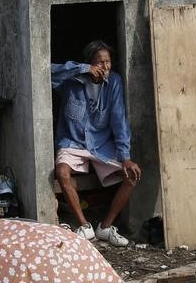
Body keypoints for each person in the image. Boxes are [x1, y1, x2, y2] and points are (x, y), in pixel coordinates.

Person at [51, 40, 141, 247]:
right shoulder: (72, 80)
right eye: (100, 62)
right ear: (90, 63)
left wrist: (125, 157)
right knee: (62, 173)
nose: (105, 67)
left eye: (108, 61)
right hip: (72, 141)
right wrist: (83, 69)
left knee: (132, 174)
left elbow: (119, 120)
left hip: (100, 144)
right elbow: (46, 72)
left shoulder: (115, 82)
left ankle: (106, 227)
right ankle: (84, 226)